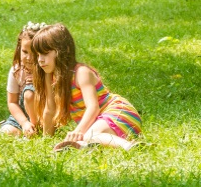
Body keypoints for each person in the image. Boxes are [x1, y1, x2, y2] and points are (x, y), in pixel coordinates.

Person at [31, 23, 143, 151]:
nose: (40, 60)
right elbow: (50, 110)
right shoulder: (51, 77)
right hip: (100, 126)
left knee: (89, 135)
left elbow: (93, 107)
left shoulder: (81, 72)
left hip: (120, 114)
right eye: (38, 55)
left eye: (45, 54)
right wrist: (46, 140)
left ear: (63, 51)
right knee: (88, 139)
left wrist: (78, 131)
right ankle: (84, 146)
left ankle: (130, 146)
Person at [0, 22, 43, 137]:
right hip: (23, 114)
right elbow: (12, 102)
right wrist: (24, 123)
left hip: (45, 113)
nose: (29, 58)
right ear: (19, 48)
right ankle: (28, 130)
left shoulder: (48, 69)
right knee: (6, 132)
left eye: (35, 53)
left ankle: (37, 130)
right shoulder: (16, 71)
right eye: (25, 52)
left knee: (30, 93)